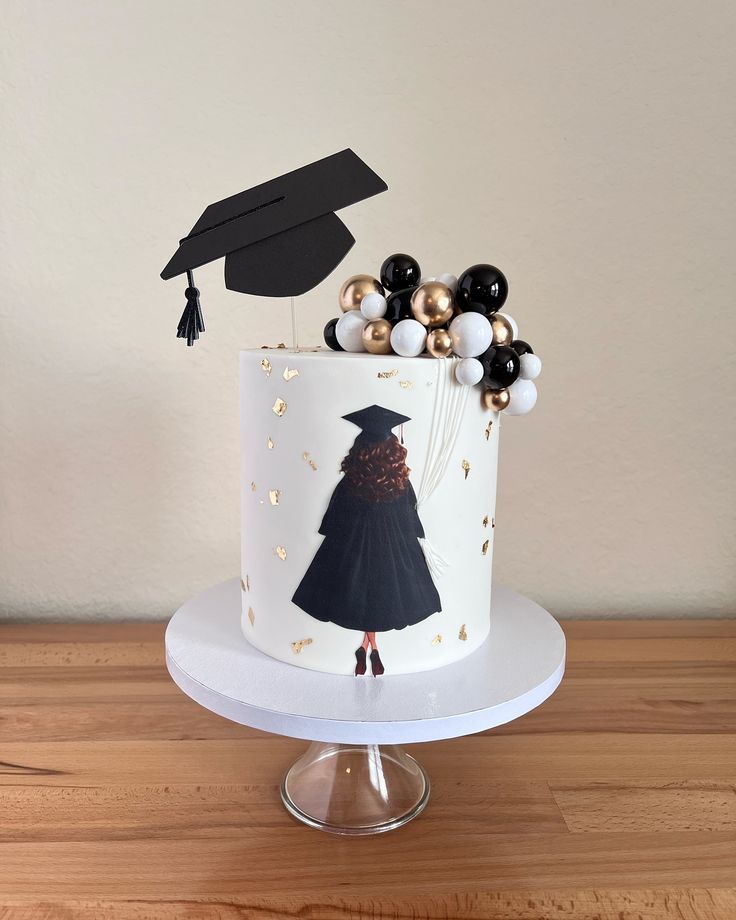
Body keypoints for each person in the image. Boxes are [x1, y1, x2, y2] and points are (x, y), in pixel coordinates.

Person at [292, 405, 441, 676]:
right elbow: (410, 519)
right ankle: (371, 648)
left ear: (359, 449)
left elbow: (334, 519)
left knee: (358, 594)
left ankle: (366, 647)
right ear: (394, 451)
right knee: (383, 595)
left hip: (353, 548)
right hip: (391, 551)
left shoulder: (351, 481)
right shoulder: (399, 482)